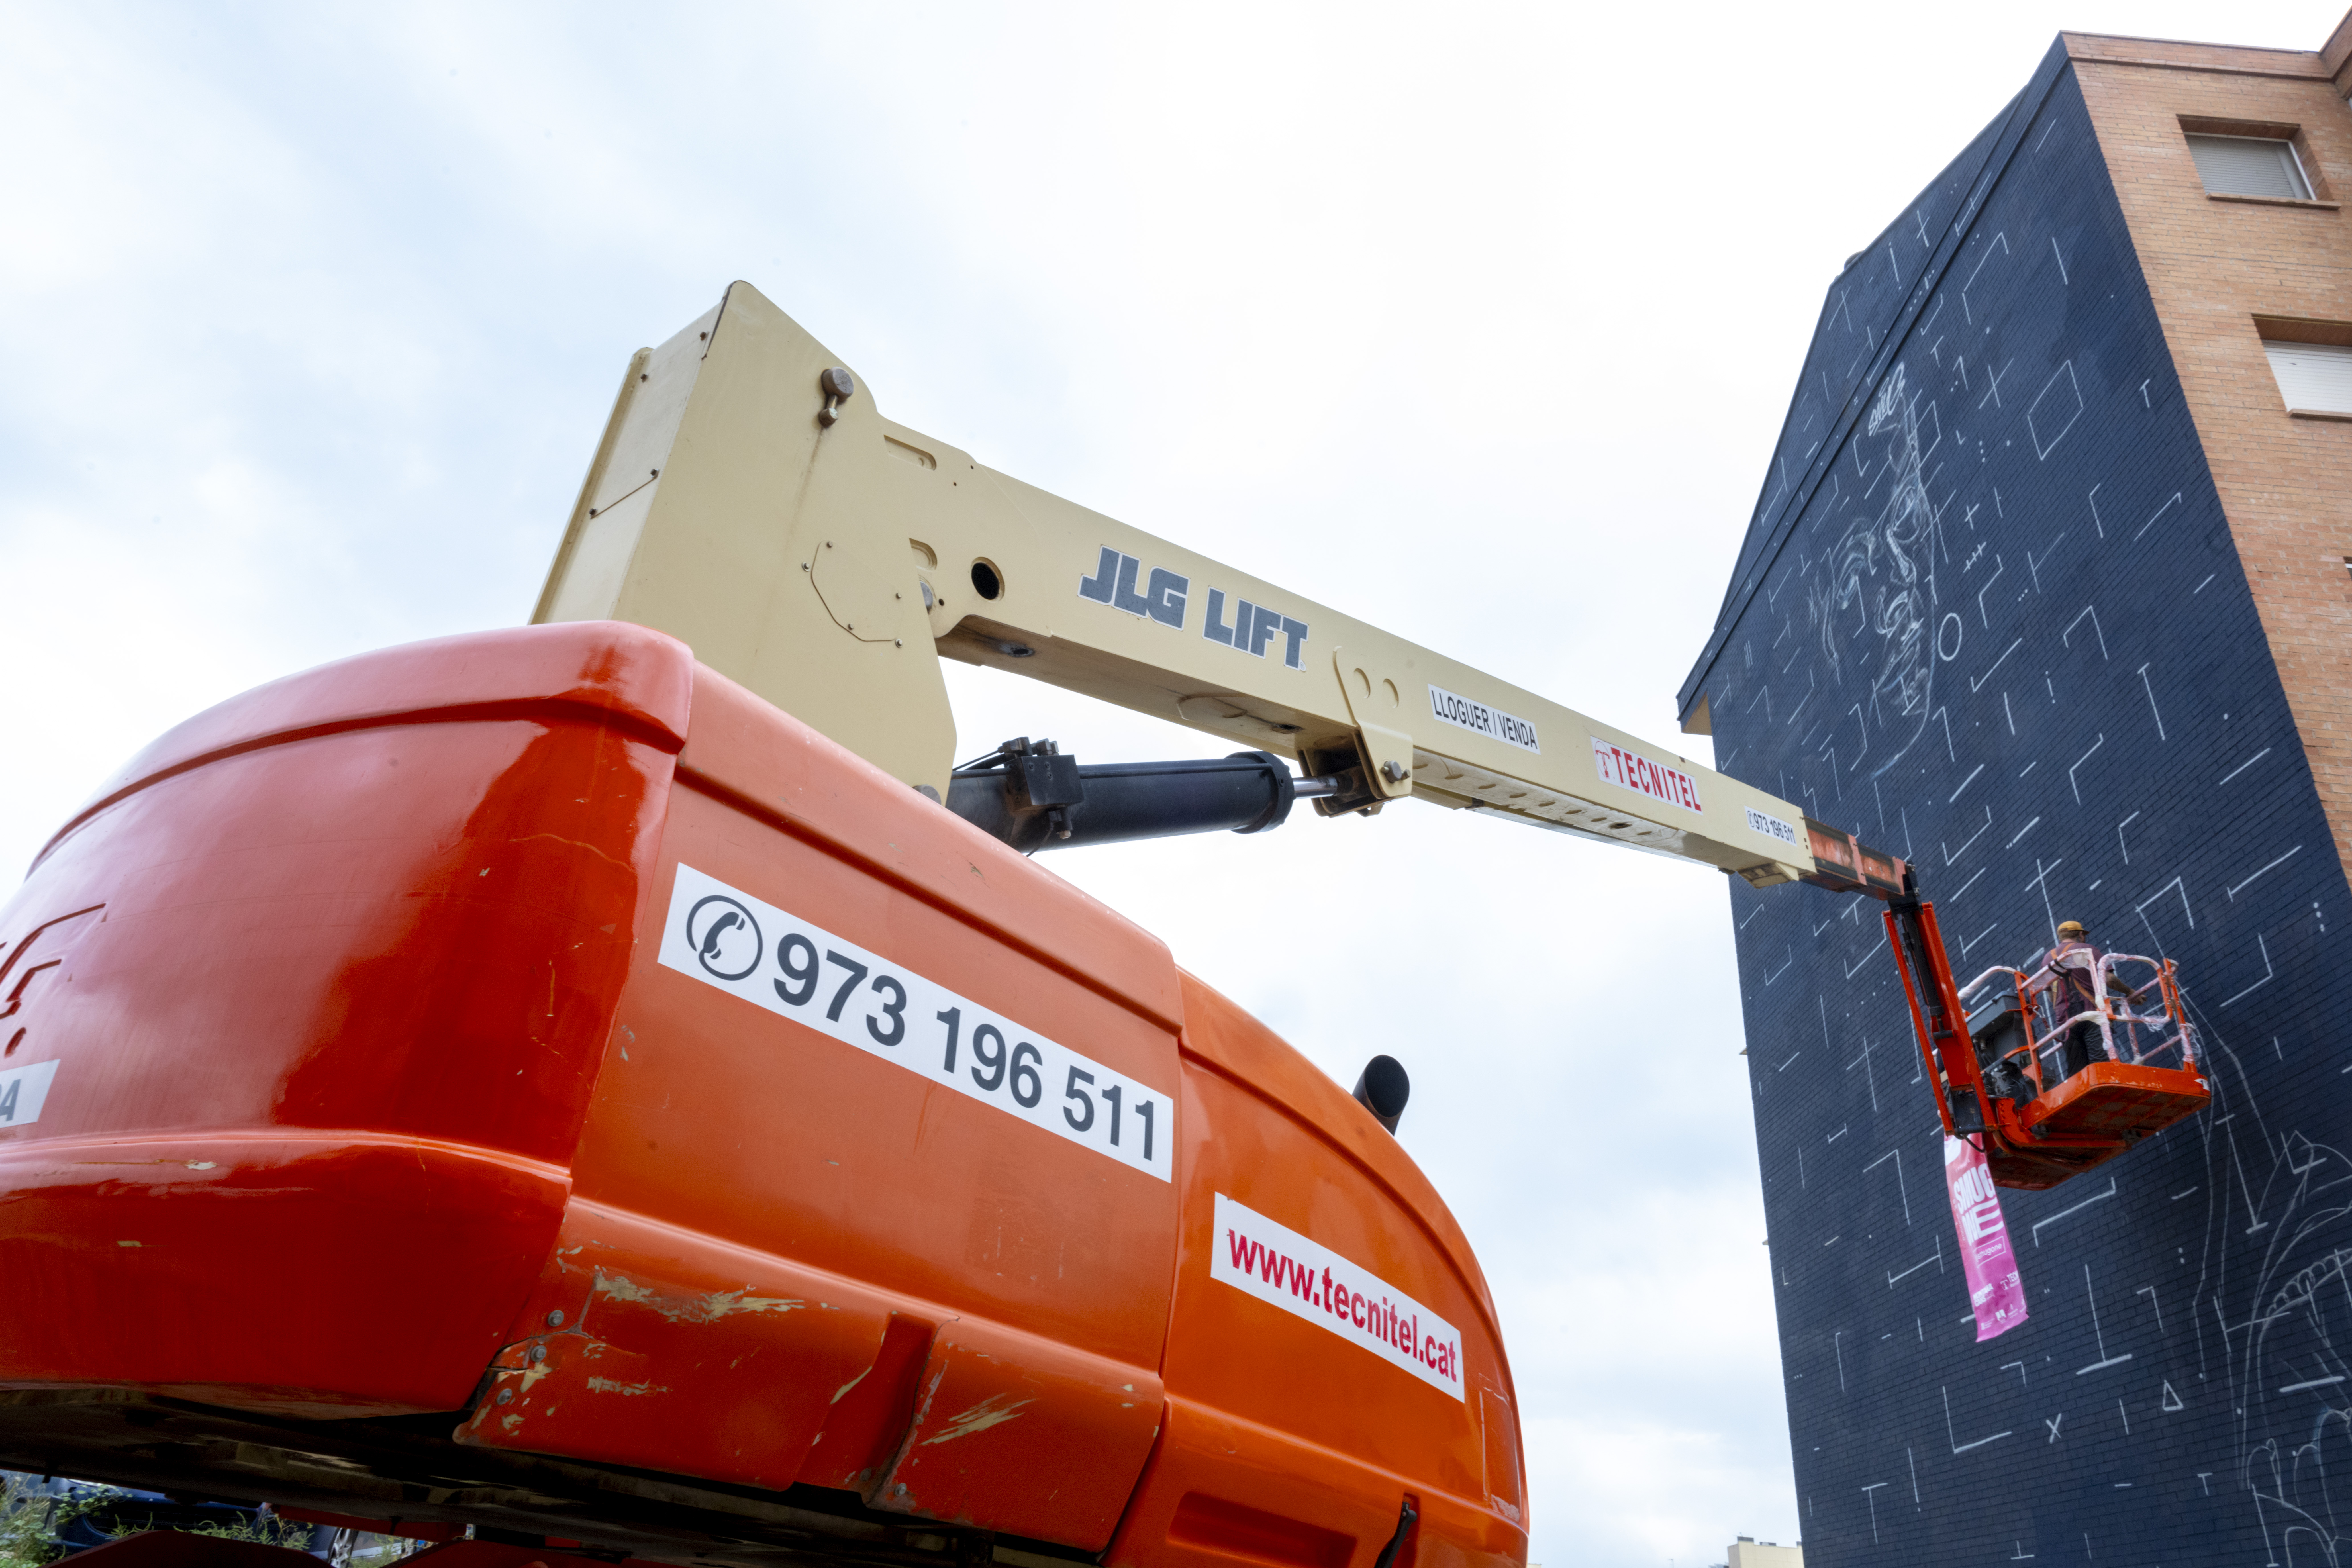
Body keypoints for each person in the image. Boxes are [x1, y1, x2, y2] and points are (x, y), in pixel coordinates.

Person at [2046, 920, 2124, 1083]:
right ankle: (2106, 1090)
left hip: (2066, 1022)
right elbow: (2109, 979)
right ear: (2081, 934)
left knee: (2077, 1072)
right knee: (2101, 1063)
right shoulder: (2086, 950)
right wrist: (2132, 993)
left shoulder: (2047, 959)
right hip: (2091, 1015)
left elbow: (2049, 992)